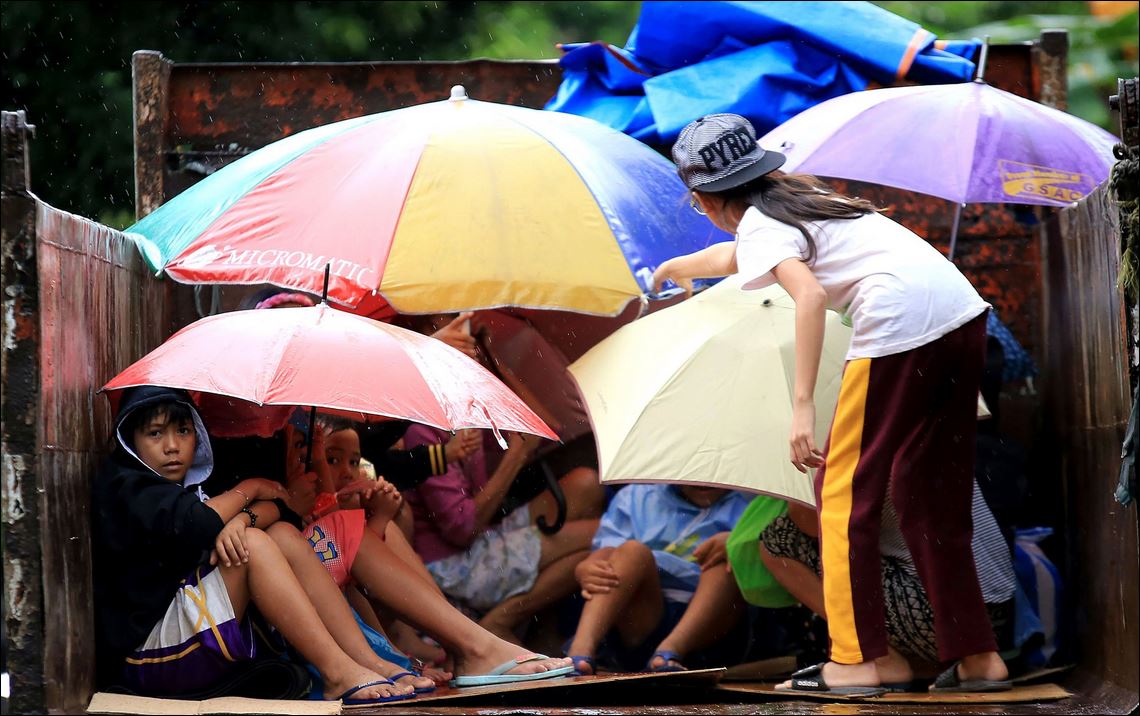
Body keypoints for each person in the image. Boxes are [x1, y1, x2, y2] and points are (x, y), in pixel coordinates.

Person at [653, 113, 1009, 694]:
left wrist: (802, 408)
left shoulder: (767, 222)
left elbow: (809, 294)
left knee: (840, 498)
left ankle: (857, 659)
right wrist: (677, 267)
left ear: (704, 199)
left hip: (897, 329)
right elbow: (746, 256)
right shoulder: (802, 201)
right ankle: (979, 657)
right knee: (929, 497)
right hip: (961, 317)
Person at [90, 386, 413, 704]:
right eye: (155, 434)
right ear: (131, 440)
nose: (173, 446)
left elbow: (283, 510)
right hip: (147, 658)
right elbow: (199, 523)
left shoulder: (186, 487)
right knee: (254, 545)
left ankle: (363, 658)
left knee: (282, 535)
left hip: (182, 640)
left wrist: (241, 520)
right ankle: (337, 672)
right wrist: (251, 487)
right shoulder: (130, 485)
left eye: (184, 430)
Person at [276, 420, 578, 688]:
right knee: (355, 525)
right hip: (449, 563)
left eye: (354, 462)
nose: (346, 472)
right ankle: (472, 645)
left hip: (345, 575)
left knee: (377, 527)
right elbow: (462, 527)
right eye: (328, 459)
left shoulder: (463, 432)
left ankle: (464, 644)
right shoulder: (423, 433)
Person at [760, 482, 1017, 687]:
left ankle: (875, 657)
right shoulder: (921, 424)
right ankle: (966, 661)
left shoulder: (856, 433)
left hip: (936, 617)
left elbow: (809, 522)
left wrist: (795, 478)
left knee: (779, 538)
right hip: (991, 622)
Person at [402, 424, 605, 643]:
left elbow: (546, 434)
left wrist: (524, 430)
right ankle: (500, 623)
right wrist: (517, 455)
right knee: (602, 538)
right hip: (454, 566)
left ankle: (537, 630)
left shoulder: (468, 418)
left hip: (486, 535)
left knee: (586, 483)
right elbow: (462, 528)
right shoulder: (423, 432)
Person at [563, 484, 752, 674]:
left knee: (726, 557)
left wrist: (737, 542)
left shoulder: (753, 504)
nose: (701, 483)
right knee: (631, 551)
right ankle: (579, 653)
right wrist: (586, 567)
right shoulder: (637, 497)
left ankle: (669, 651)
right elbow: (607, 549)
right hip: (644, 613)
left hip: (715, 620)